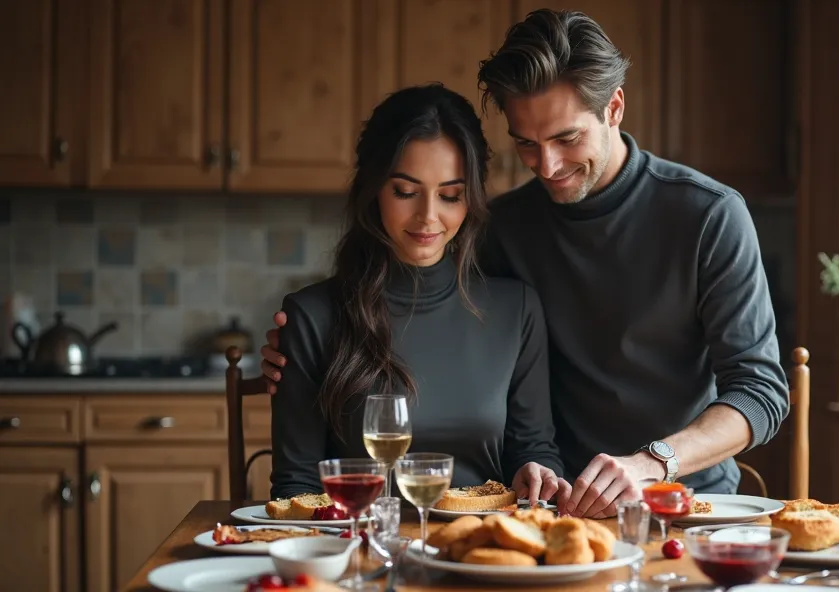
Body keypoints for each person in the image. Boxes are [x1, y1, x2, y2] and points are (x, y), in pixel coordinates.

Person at [262, 9, 790, 518]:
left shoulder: (708, 215)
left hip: (681, 499)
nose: (549, 166)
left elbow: (761, 393)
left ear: (615, 108)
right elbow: (426, 308)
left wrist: (655, 461)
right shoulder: (501, 226)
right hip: (556, 505)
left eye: (567, 138)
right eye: (526, 145)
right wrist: (310, 345)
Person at [268, 83, 568, 506]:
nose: (428, 217)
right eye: (406, 192)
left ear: (472, 198)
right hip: (360, 553)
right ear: (374, 189)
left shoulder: (516, 310)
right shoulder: (311, 316)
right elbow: (296, 487)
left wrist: (537, 472)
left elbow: (533, 449)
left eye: (450, 195)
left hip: (476, 551)